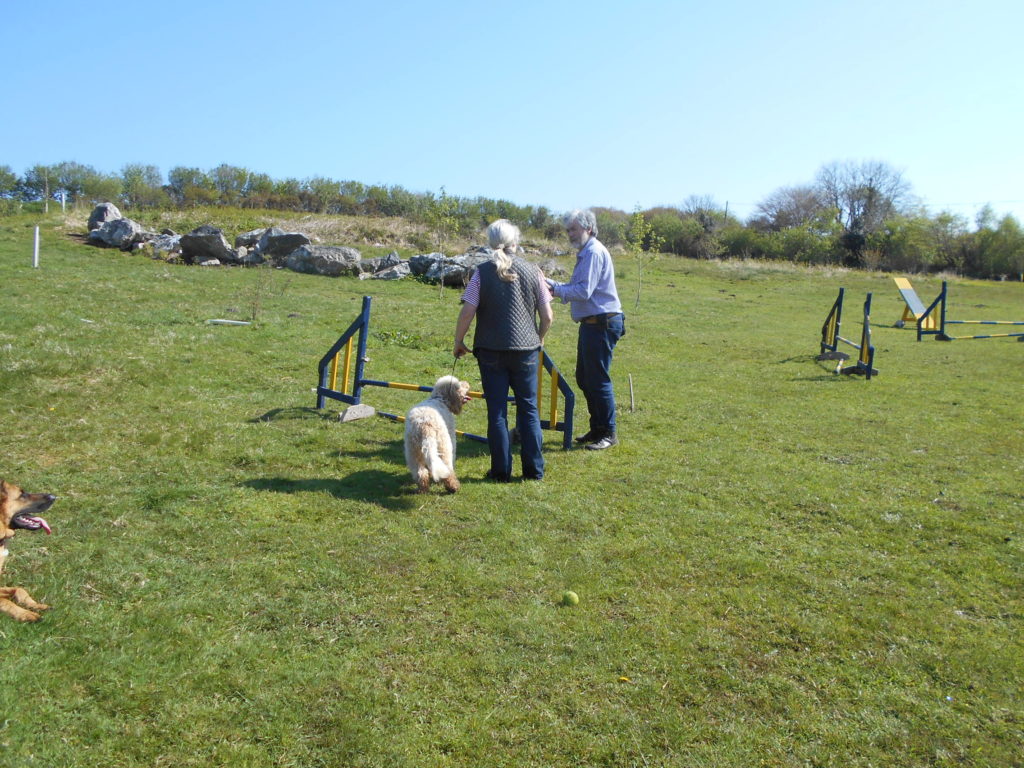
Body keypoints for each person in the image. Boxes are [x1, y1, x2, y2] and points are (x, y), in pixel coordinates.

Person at [454, 219, 554, 481]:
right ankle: (534, 471)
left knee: (497, 411)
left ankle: (500, 471)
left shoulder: (481, 272)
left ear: (490, 242)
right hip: (526, 350)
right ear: (515, 242)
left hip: (491, 350)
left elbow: (468, 310)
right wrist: (539, 339)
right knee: (529, 409)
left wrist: (459, 340)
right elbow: (548, 316)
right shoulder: (534, 271)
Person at [545, 209, 624, 451]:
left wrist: (554, 290)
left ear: (588, 228)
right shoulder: (587, 251)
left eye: (574, 229)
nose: (570, 234)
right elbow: (578, 287)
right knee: (585, 378)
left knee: (597, 380)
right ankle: (598, 428)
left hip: (602, 323)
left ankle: (608, 433)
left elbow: (583, 292)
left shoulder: (593, 252)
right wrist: (551, 283)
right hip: (593, 323)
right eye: (568, 229)